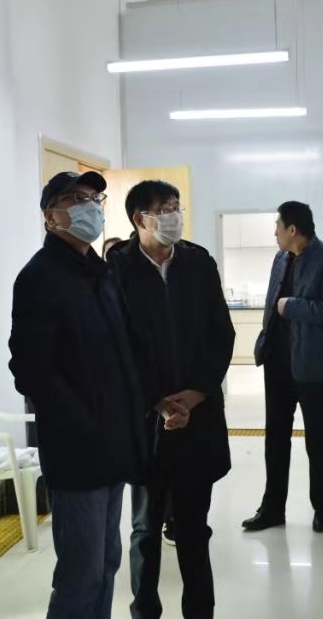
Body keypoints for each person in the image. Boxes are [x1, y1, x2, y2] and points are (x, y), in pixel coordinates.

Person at [9, 171, 171, 619]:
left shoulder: (101, 272)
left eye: (94, 199)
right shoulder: (40, 277)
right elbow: (31, 371)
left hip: (114, 442)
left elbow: (122, 352)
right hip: (78, 450)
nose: (90, 207)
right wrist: (85, 422)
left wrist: (147, 402)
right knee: (81, 574)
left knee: (106, 563)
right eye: (76, 199)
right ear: (51, 217)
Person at [108, 180, 234, 619]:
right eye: (164, 209)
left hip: (199, 417)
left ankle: (200, 611)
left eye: (177, 207)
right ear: (139, 219)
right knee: (145, 529)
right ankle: (144, 610)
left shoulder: (198, 262)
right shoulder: (116, 269)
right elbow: (116, 347)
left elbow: (221, 334)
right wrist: (157, 402)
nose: (174, 216)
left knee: (194, 528)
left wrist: (197, 393)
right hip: (146, 422)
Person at [243, 201, 323, 533]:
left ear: (292, 229)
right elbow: (270, 304)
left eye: (277, 226)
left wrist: (291, 306)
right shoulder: (280, 258)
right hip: (277, 363)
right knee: (275, 438)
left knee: (316, 438)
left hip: (313, 366)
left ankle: (321, 508)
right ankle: (272, 508)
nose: (274, 232)